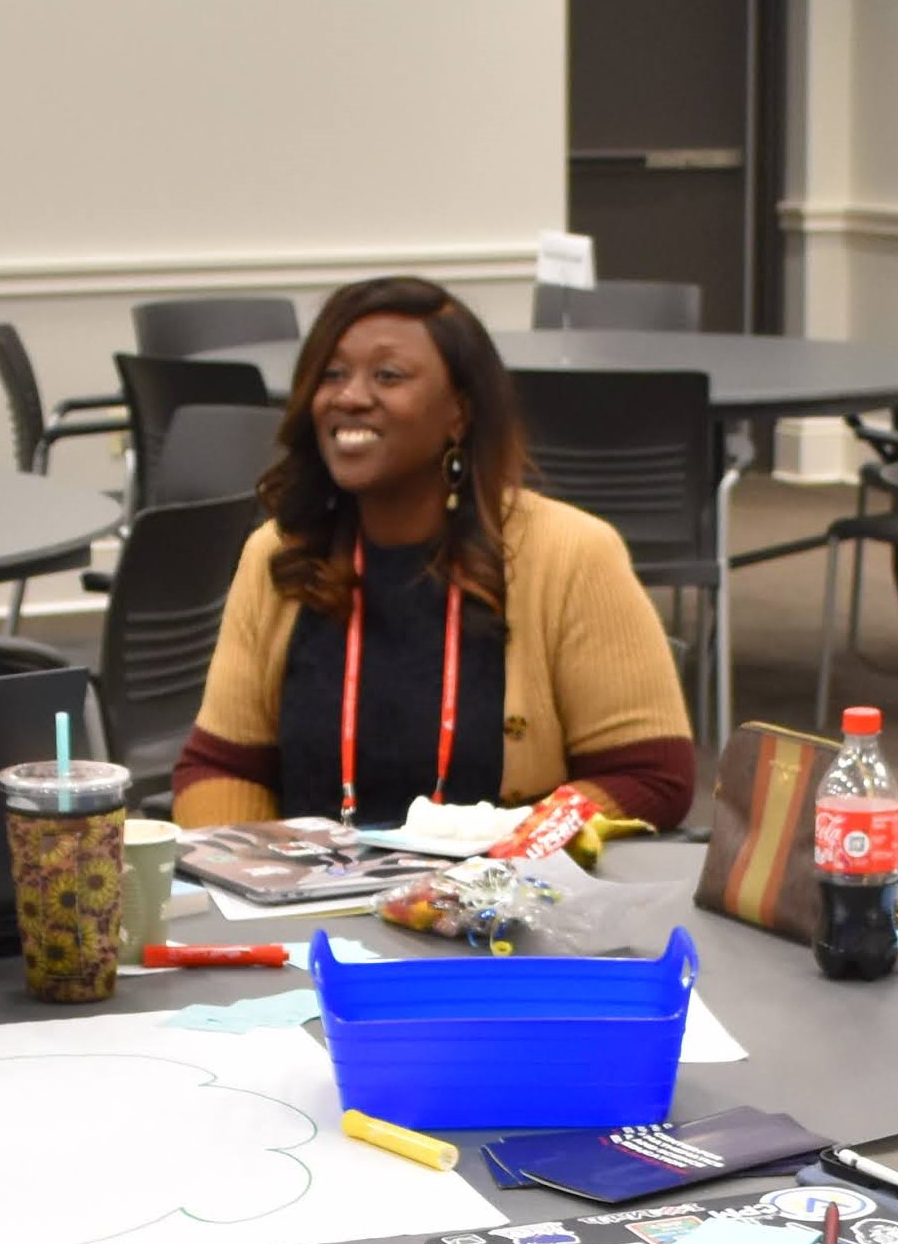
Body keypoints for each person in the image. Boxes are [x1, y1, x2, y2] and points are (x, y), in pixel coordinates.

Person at [172, 275, 696, 833]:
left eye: (388, 376)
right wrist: (261, 871)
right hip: (312, 906)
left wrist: (503, 859)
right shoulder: (280, 553)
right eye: (333, 374)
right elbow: (220, 765)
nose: (349, 396)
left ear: (459, 413)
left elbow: (650, 774)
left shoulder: (570, 554)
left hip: (502, 902)